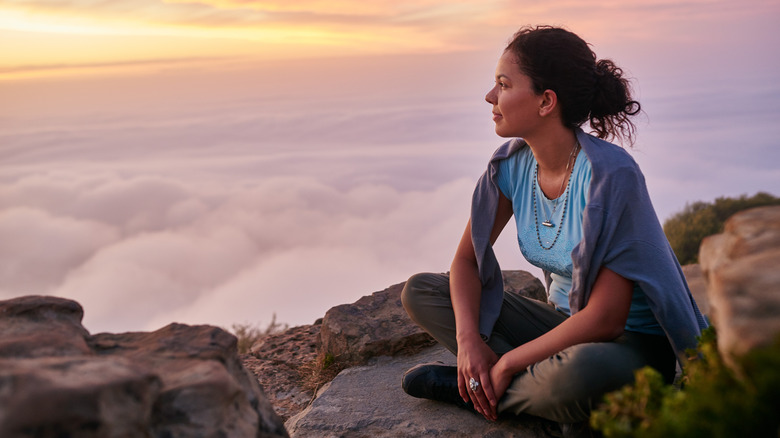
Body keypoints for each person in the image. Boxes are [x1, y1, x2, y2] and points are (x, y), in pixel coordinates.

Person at [400, 25, 708, 432]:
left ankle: (481, 393)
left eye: (503, 84)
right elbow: (465, 263)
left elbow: (606, 319)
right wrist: (468, 342)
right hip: (560, 325)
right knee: (422, 291)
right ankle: (539, 401)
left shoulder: (608, 176)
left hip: (625, 347)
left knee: (579, 375)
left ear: (546, 101)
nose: (490, 97)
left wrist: (510, 359)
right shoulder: (511, 165)